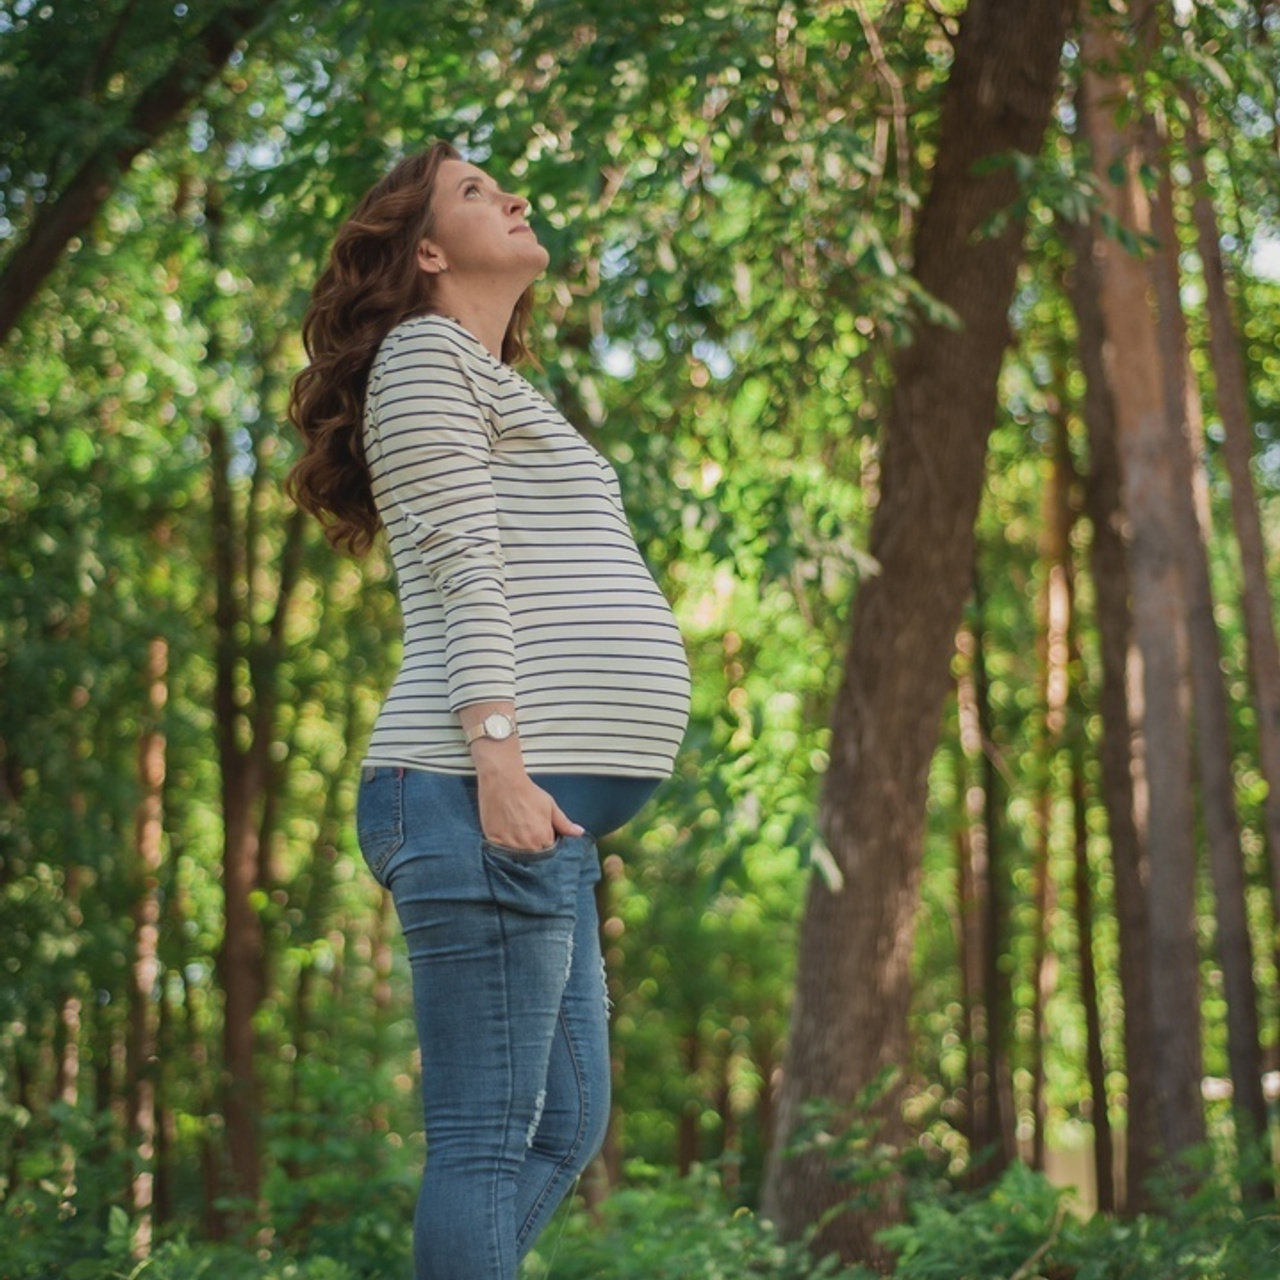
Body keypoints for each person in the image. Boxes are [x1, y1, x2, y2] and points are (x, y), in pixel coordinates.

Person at [286, 141, 691, 1280]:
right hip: (476, 795)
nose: (511, 195)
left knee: (567, 1122)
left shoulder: (484, 376)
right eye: (474, 191)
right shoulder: (421, 357)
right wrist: (501, 763)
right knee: (483, 1137)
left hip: (529, 816)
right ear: (424, 252)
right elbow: (467, 569)